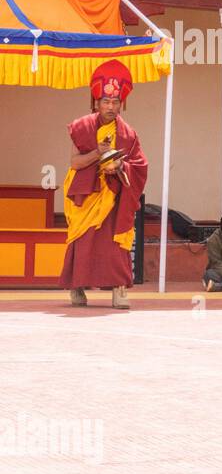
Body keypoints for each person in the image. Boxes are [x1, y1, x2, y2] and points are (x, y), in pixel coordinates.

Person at [60, 61, 149, 310]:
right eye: (106, 102)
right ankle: (77, 288)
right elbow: (75, 163)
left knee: (114, 245)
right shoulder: (83, 127)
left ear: (122, 104)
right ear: (96, 102)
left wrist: (120, 167)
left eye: (115, 102)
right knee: (83, 240)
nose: (111, 107)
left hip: (113, 197)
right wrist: (99, 155)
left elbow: (140, 166)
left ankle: (119, 290)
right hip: (85, 196)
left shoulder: (129, 134)